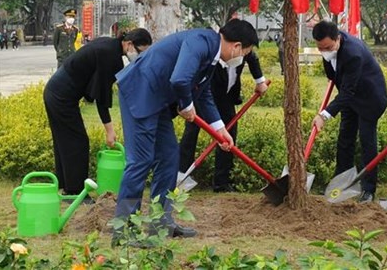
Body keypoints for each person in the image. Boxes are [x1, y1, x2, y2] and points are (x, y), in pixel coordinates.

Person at [113, 19, 258, 241]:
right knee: (141, 160)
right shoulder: (201, 42)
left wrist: (220, 129)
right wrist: (187, 105)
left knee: (170, 157)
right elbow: (180, 79)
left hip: (158, 101)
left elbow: (204, 93)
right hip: (140, 93)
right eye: (245, 53)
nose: (242, 58)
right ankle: (123, 229)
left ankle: (160, 222)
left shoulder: (211, 54)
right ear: (237, 46)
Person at [43, 28, 152, 200]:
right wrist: (110, 131)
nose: (138, 56)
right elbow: (102, 97)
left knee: (64, 141)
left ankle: (67, 187)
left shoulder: (110, 46)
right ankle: (77, 191)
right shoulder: (110, 56)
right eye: (140, 52)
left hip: (56, 91)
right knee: (77, 141)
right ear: (130, 44)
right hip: (60, 96)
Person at [311, 21, 387, 203]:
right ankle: (341, 182)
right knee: (345, 139)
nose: (324, 51)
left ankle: (369, 189)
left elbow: (347, 92)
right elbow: (333, 76)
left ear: (337, 39)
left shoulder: (353, 53)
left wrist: (324, 115)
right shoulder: (329, 48)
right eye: (320, 48)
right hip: (350, 98)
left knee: (367, 142)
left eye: (328, 47)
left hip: (370, 99)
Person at [178, 49, 268, 192]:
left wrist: (260, 81)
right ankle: (181, 175)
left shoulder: (243, 50)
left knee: (228, 137)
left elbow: (252, 58)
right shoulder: (213, 55)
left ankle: (222, 182)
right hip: (204, 99)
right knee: (191, 133)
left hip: (226, 98)